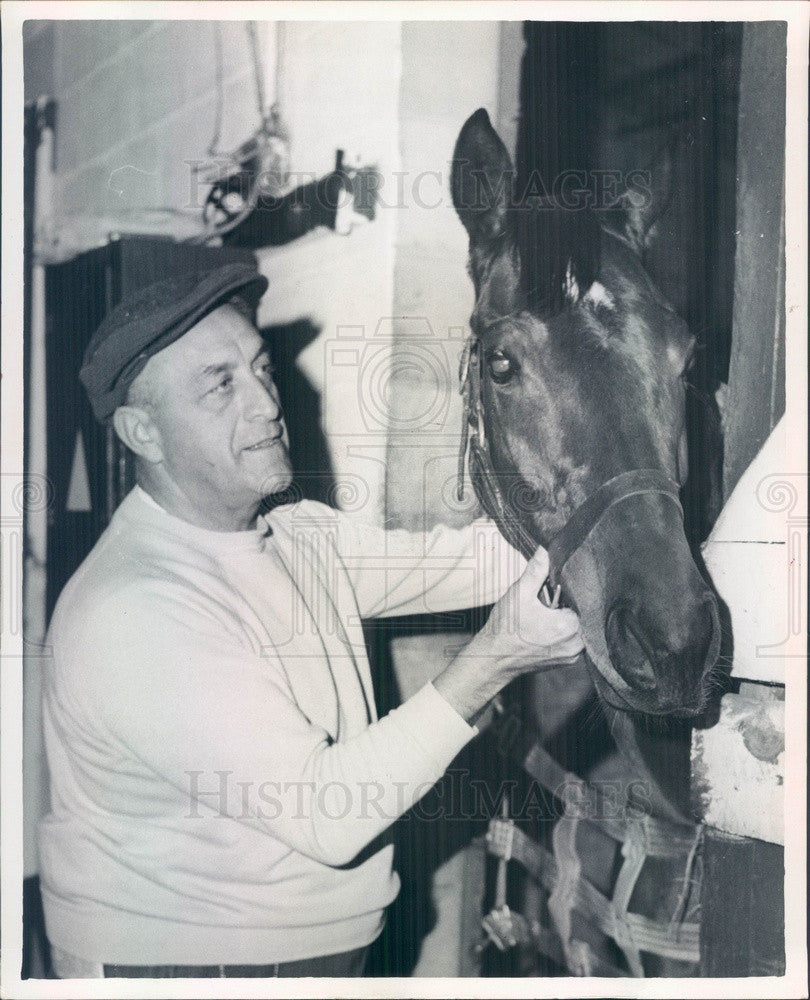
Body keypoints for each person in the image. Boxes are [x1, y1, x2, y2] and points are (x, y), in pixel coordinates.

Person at [39, 262, 583, 979]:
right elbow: (330, 815)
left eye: (259, 368)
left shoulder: (293, 536)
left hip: (301, 958)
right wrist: (496, 658)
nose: (266, 402)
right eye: (220, 385)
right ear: (143, 431)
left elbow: (481, 560)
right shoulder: (137, 608)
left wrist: (605, 497)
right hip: (184, 971)